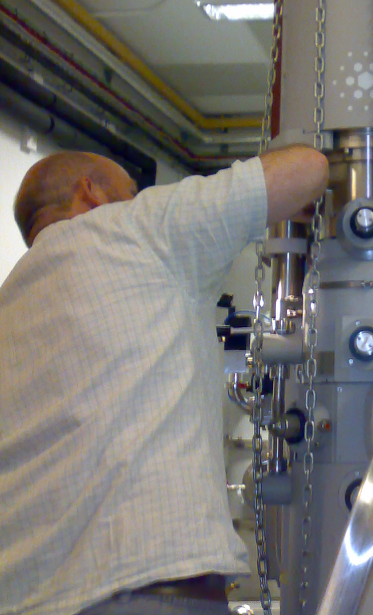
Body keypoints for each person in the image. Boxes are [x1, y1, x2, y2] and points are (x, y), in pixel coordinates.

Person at [0, 145, 328, 615]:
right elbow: (307, 169)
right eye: (131, 191)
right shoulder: (137, 228)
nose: (138, 199)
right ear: (91, 194)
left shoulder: (11, 306)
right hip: (145, 590)